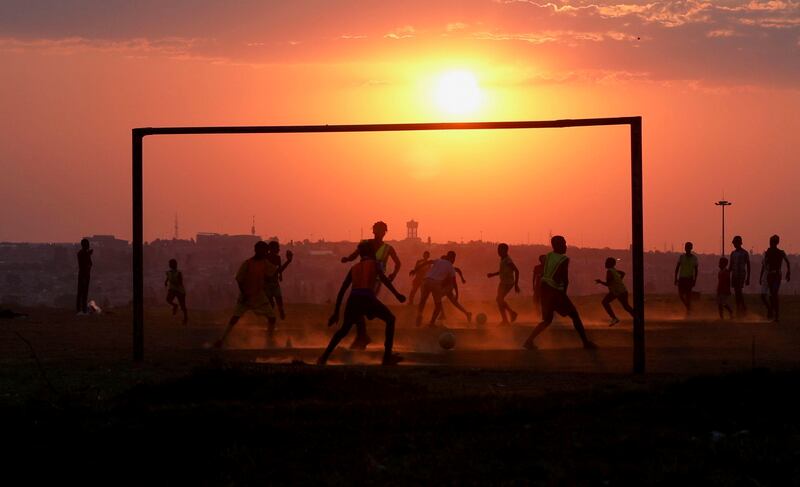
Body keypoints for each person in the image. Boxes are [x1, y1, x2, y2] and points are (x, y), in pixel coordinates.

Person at [319, 241, 406, 366]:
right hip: (367, 298)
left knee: (343, 330)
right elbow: (384, 280)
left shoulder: (353, 268)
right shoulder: (375, 264)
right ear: (372, 253)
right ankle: (387, 357)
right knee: (390, 319)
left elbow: (342, 291)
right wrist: (397, 295)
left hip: (353, 299)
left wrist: (336, 312)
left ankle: (324, 357)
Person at [523, 236, 596, 350]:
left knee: (547, 320)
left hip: (544, 290)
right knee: (575, 315)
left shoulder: (548, 256)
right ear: (558, 245)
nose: (566, 246)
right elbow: (564, 278)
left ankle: (528, 341)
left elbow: (545, 274)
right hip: (555, 291)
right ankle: (586, 343)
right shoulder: (564, 259)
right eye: (564, 243)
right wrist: (563, 293)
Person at [341, 221, 401, 349]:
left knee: (363, 305)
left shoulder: (388, 248)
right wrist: (347, 259)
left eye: (382, 230)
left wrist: (393, 275)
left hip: (377, 280)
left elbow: (398, 263)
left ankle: (362, 336)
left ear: (385, 232)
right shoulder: (366, 244)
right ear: (373, 231)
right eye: (377, 230)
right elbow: (354, 255)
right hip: (363, 277)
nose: (379, 232)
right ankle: (362, 336)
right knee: (362, 306)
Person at [214, 241, 277, 348]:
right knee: (235, 318)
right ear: (257, 250)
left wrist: (288, 262)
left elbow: (273, 273)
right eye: (265, 251)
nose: (266, 253)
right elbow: (239, 280)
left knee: (272, 318)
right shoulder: (247, 263)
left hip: (258, 296)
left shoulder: (265, 263)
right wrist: (244, 294)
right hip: (246, 296)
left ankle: (269, 342)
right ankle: (222, 340)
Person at [416, 251, 457, 327]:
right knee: (438, 306)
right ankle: (431, 323)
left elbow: (428, 262)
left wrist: (416, 269)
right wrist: (455, 293)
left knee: (423, 301)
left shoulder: (438, 260)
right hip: (436, 283)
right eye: (454, 258)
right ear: (451, 258)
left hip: (426, 280)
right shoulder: (450, 266)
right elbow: (453, 282)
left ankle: (419, 315)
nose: (454, 260)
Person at [760, 234, 791, 322]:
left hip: (776, 275)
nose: (771, 244)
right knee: (771, 295)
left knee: (774, 294)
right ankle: (772, 312)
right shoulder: (768, 253)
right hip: (770, 275)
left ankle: (775, 315)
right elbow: (764, 264)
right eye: (770, 242)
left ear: (776, 243)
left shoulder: (780, 252)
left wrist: (788, 272)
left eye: (772, 242)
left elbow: (787, 262)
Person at [594, 257, 634, 326]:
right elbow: (623, 273)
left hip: (617, 292)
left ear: (610, 264)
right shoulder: (614, 270)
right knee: (626, 306)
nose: (605, 263)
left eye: (606, 262)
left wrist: (600, 282)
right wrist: (618, 281)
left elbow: (608, 284)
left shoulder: (609, 271)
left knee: (605, 302)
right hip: (621, 290)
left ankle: (614, 318)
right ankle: (636, 317)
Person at [487, 243, 520, 324]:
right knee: (499, 300)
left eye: (500, 250)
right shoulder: (503, 259)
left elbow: (516, 270)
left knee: (499, 299)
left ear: (505, 250)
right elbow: (502, 271)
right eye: (498, 250)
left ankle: (511, 314)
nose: (498, 252)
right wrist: (493, 274)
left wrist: (516, 284)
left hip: (508, 283)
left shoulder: (508, 260)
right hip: (503, 282)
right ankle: (507, 318)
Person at [265, 240, 294, 320]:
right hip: (267, 284)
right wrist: (288, 261)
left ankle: (277, 315)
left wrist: (280, 276)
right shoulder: (266, 258)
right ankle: (272, 318)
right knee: (272, 304)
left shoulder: (277, 258)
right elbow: (278, 270)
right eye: (277, 248)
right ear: (271, 248)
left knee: (279, 302)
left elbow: (279, 270)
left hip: (274, 283)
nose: (279, 249)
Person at [674, 241, 698, 316]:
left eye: (688, 247)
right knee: (681, 295)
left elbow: (696, 270)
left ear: (691, 248)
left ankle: (688, 312)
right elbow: (677, 268)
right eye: (686, 247)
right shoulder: (682, 257)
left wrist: (695, 280)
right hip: (682, 278)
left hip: (689, 279)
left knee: (688, 296)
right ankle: (688, 307)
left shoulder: (694, 258)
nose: (687, 248)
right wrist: (675, 278)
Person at [728, 236, 751, 317]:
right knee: (737, 293)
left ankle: (742, 308)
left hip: (741, 274)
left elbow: (748, 265)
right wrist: (727, 273)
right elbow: (731, 265)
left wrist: (748, 277)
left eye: (735, 243)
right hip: (734, 274)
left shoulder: (745, 253)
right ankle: (741, 308)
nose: (734, 244)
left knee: (739, 292)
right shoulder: (733, 253)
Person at [164, 258, 188, 325]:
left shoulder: (178, 273)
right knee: (168, 300)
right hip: (173, 289)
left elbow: (180, 282)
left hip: (179, 291)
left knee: (183, 306)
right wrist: (166, 282)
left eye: (171, 264)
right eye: (170, 264)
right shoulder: (168, 272)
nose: (170, 265)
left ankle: (185, 318)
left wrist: (172, 282)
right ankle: (175, 305)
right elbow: (168, 278)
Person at [76, 238, 93, 315]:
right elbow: (87, 264)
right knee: (83, 293)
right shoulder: (83, 254)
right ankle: (83, 309)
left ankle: (80, 309)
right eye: (87, 244)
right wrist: (88, 254)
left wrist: (88, 254)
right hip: (84, 275)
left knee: (81, 293)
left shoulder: (81, 253)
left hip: (83, 274)